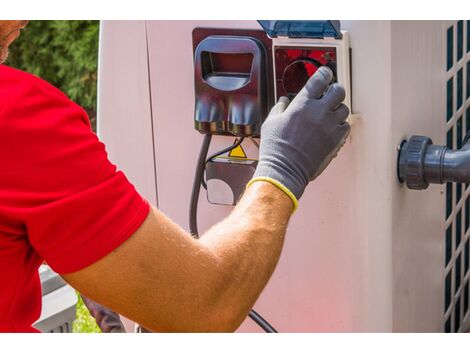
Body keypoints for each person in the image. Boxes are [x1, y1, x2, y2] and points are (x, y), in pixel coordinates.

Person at [0, 20, 350, 332]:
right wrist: (282, 169)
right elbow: (206, 308)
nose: (24, 20)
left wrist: (93, 257)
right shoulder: (19, 114)